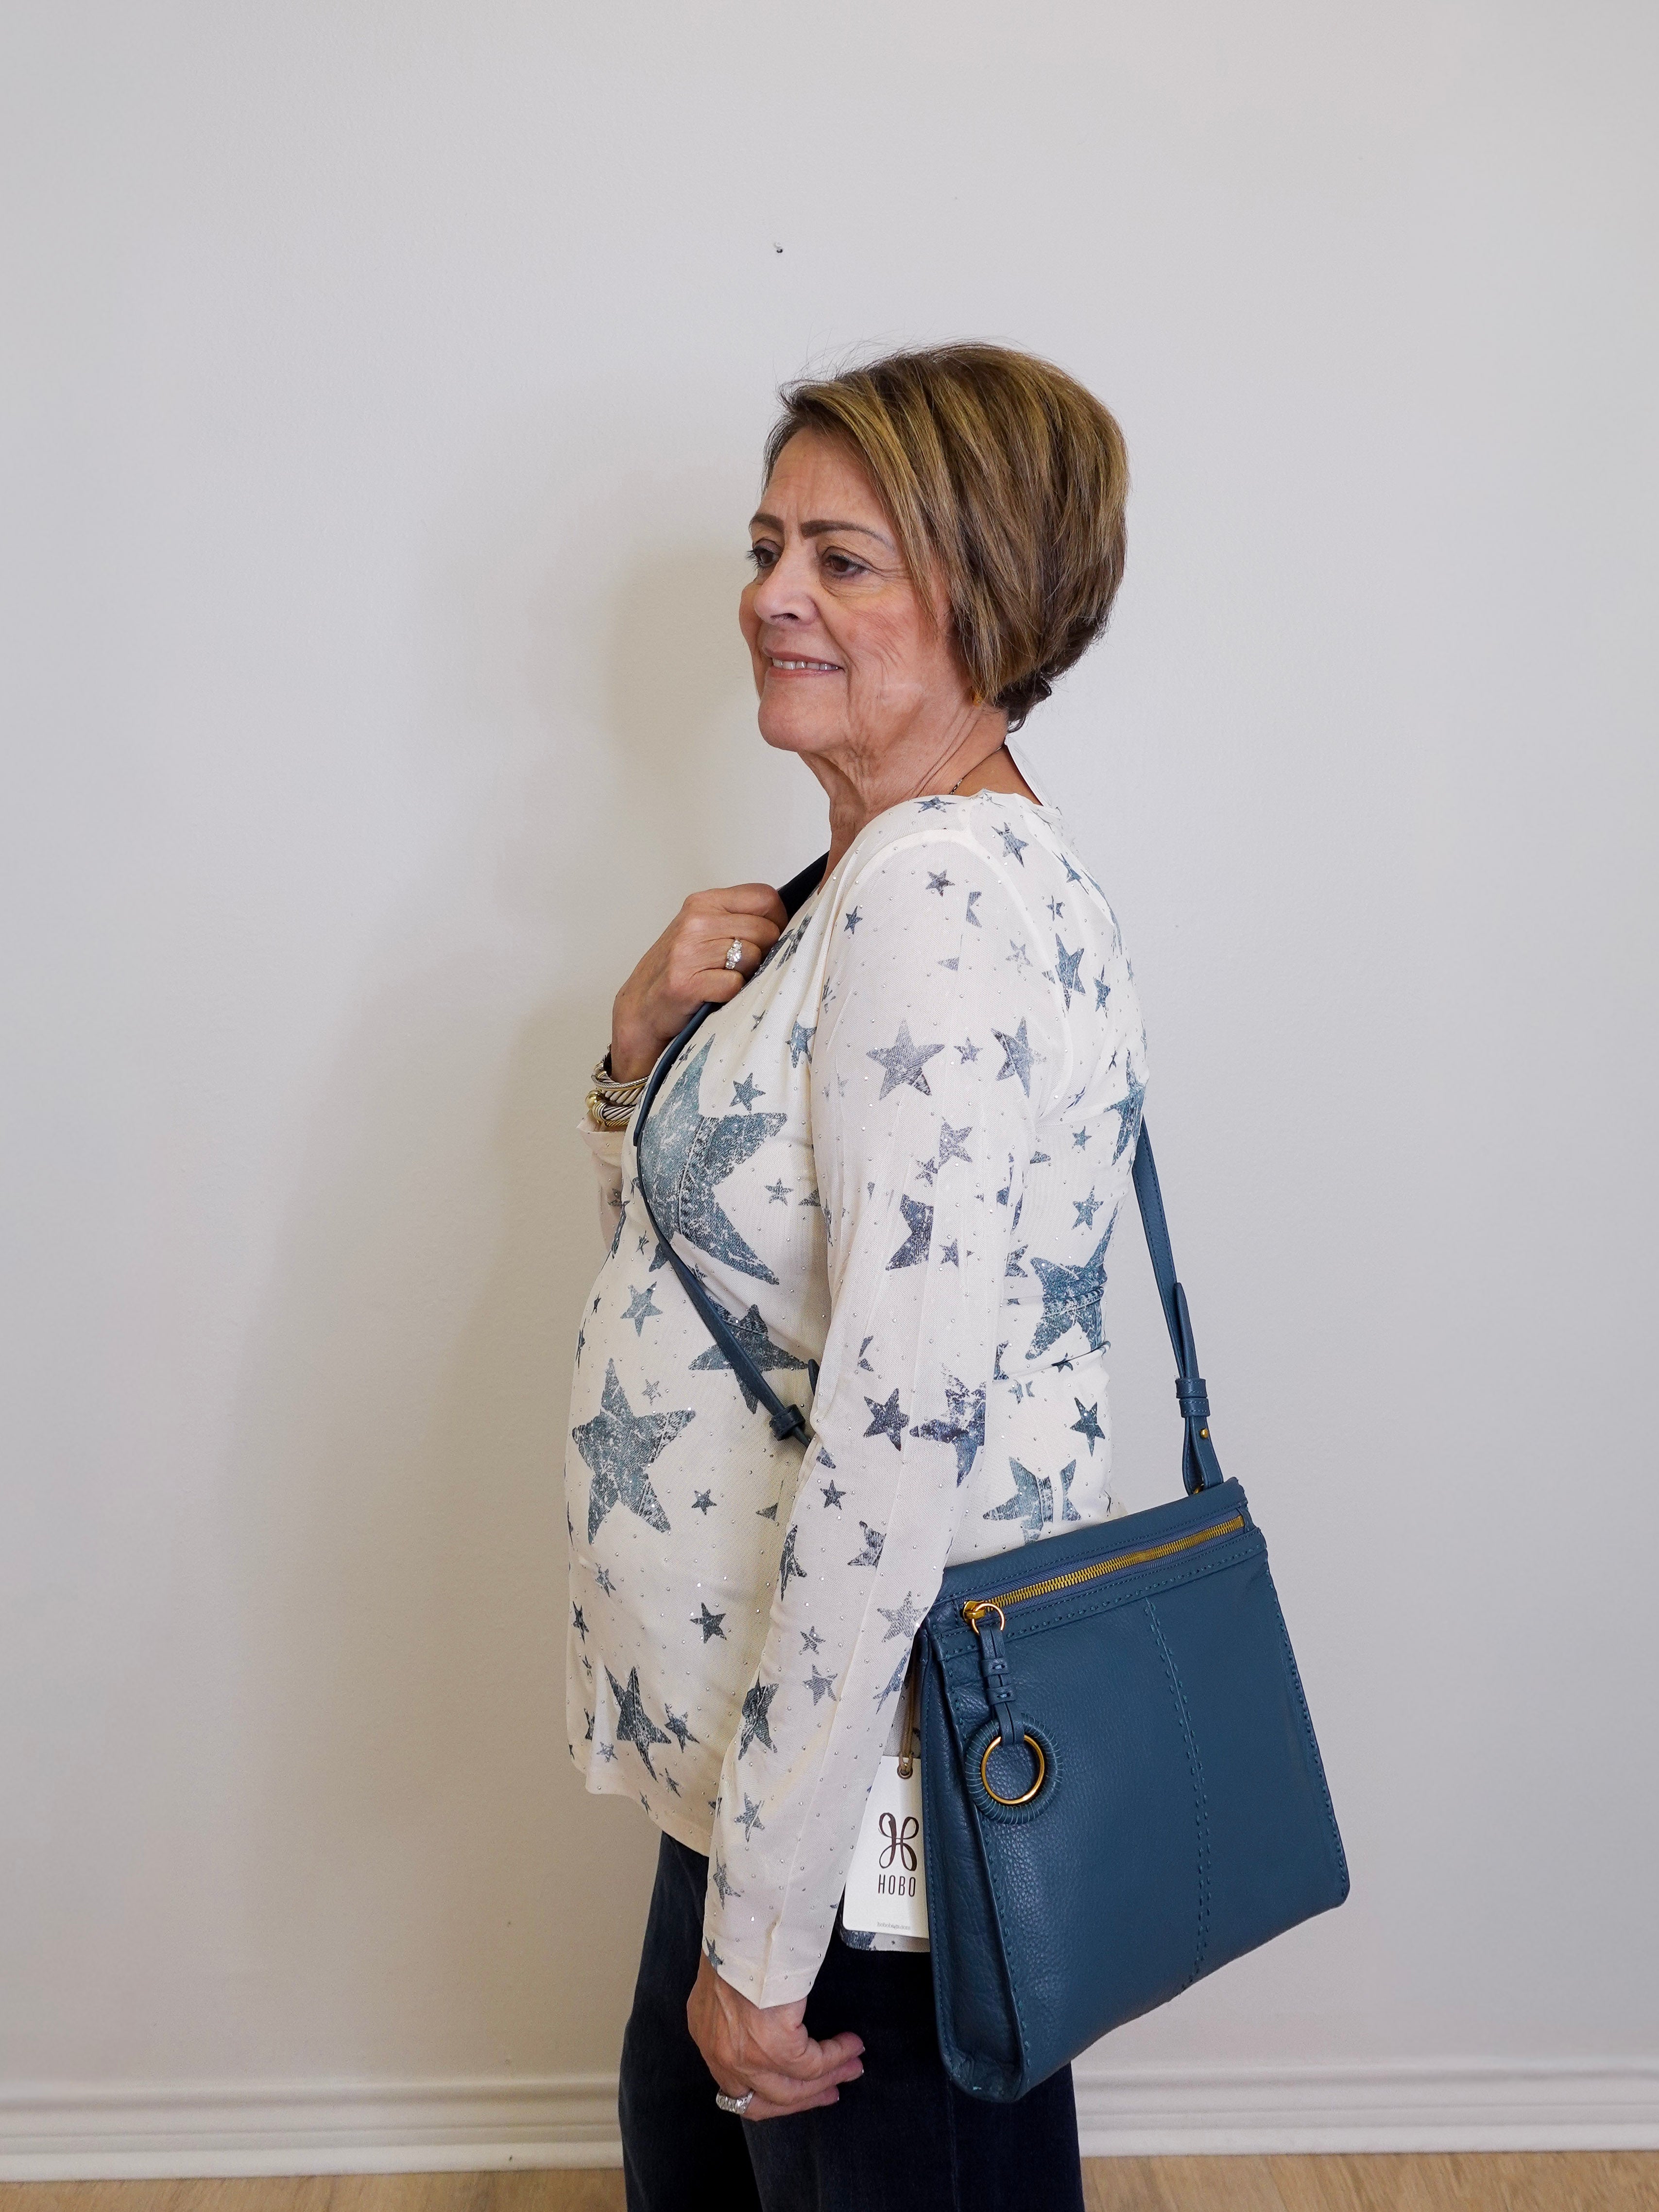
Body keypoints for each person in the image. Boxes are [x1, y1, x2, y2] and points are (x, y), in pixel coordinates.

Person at [567, 343, 1143, 2211]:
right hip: (774, 1777)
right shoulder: (861, 885)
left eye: (843, 557)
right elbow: (685, 1297)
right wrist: (637, 1044)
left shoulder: (937, 903)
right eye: (766, 545)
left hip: (861, 1827)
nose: (770, 598)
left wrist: (770, 1919)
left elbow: (903, 1454)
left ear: (989, 587)